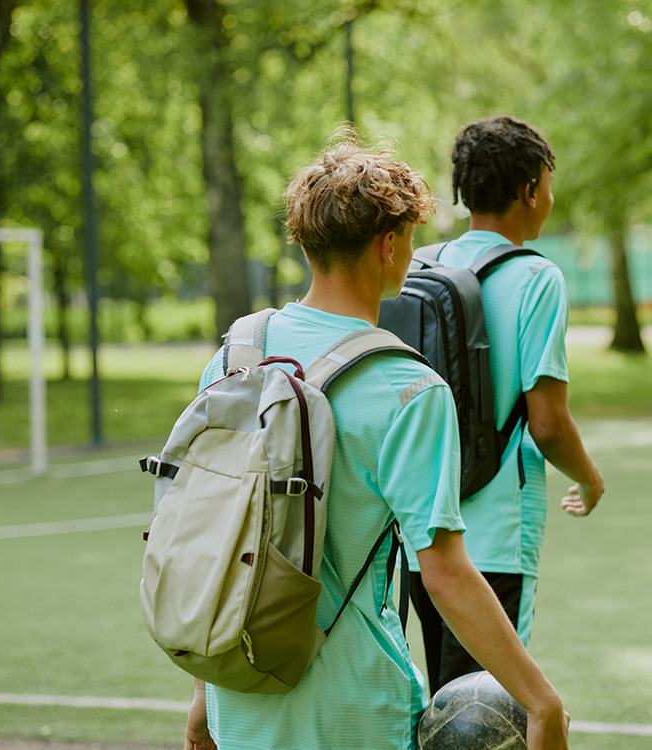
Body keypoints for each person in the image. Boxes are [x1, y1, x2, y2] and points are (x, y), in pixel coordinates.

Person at [183, 131, 569, 750]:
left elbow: (219, 541)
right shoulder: (408, 387)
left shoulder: (236, 356)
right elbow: (444, 574)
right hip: (354, 705)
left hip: (241, 692)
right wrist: (540, 701)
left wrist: (204, 699)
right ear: (389, 246)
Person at [407, 115, 605, 693]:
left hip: (419, 530)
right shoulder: (536, 278)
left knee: (440, 703)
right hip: (493, 535)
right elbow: (546, 424)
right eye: (548, 183)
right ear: (529, 191)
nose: (550, 196)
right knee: (479, 714)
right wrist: (590, 479)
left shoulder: (419, 265)